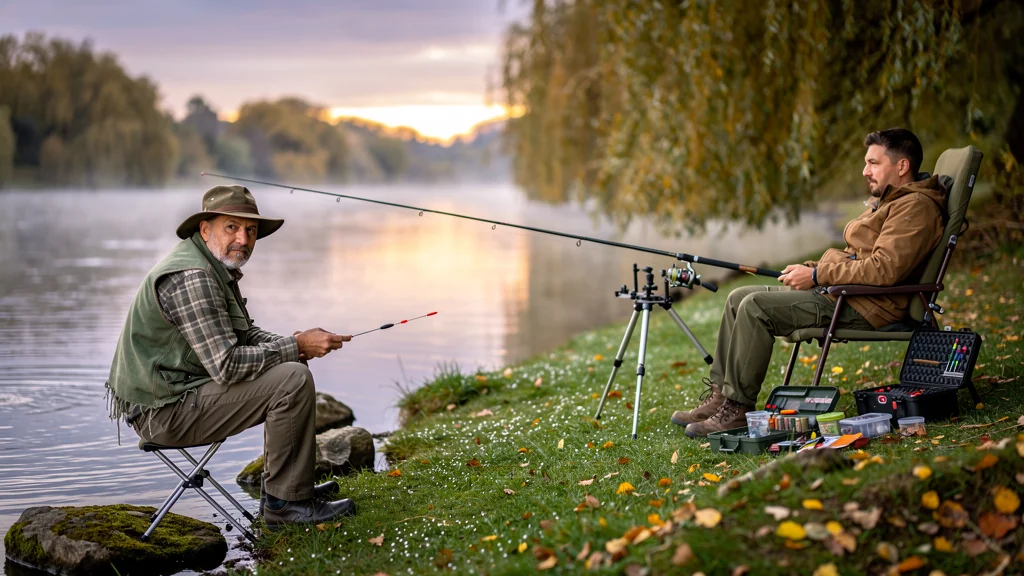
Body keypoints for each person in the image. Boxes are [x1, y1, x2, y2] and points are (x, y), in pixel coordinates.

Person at [106, 185, 356, 529]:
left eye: (251, 231)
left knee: (289, 367)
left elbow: (243, 335)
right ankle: (286, 507)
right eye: (232, 227)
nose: (243, 238)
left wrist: (294, 342)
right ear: (205, 229)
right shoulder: (194, 277)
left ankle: (285, 492)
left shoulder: (212, 265)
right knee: (292, 379)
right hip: (163, 413)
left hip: (180, 394)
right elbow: (226, 365)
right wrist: (297, 346)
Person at [672, 128, 948, 437]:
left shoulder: (914, 208)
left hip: (865, 306)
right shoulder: (891, 201)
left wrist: (818, 276)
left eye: (873, 163)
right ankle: (720, 397)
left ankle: (737, 409)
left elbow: (884, 270)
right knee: (738, 296)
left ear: (901, 166)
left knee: (754, 307)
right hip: (843, 294)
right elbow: (857, 256)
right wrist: (812, 267)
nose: (864, 171)